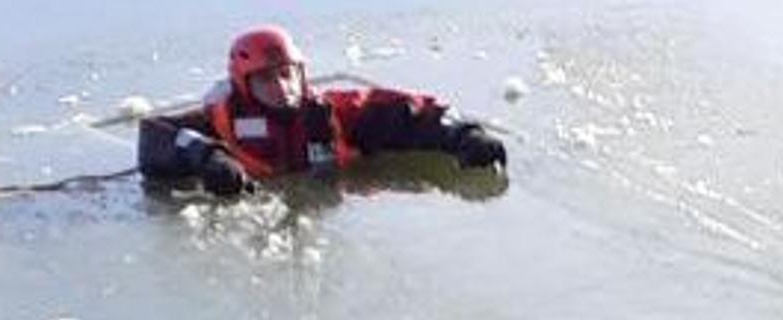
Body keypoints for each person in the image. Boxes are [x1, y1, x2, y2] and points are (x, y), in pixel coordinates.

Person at [137, 25, 506, 196]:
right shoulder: (221, 119)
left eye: (287, 75)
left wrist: (461, 133)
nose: (282, 88)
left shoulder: (329, 113)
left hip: (327, 200)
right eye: (266, 79)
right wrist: (208, 157)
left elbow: (405, 112)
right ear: (243, 84)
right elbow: (155, 134)